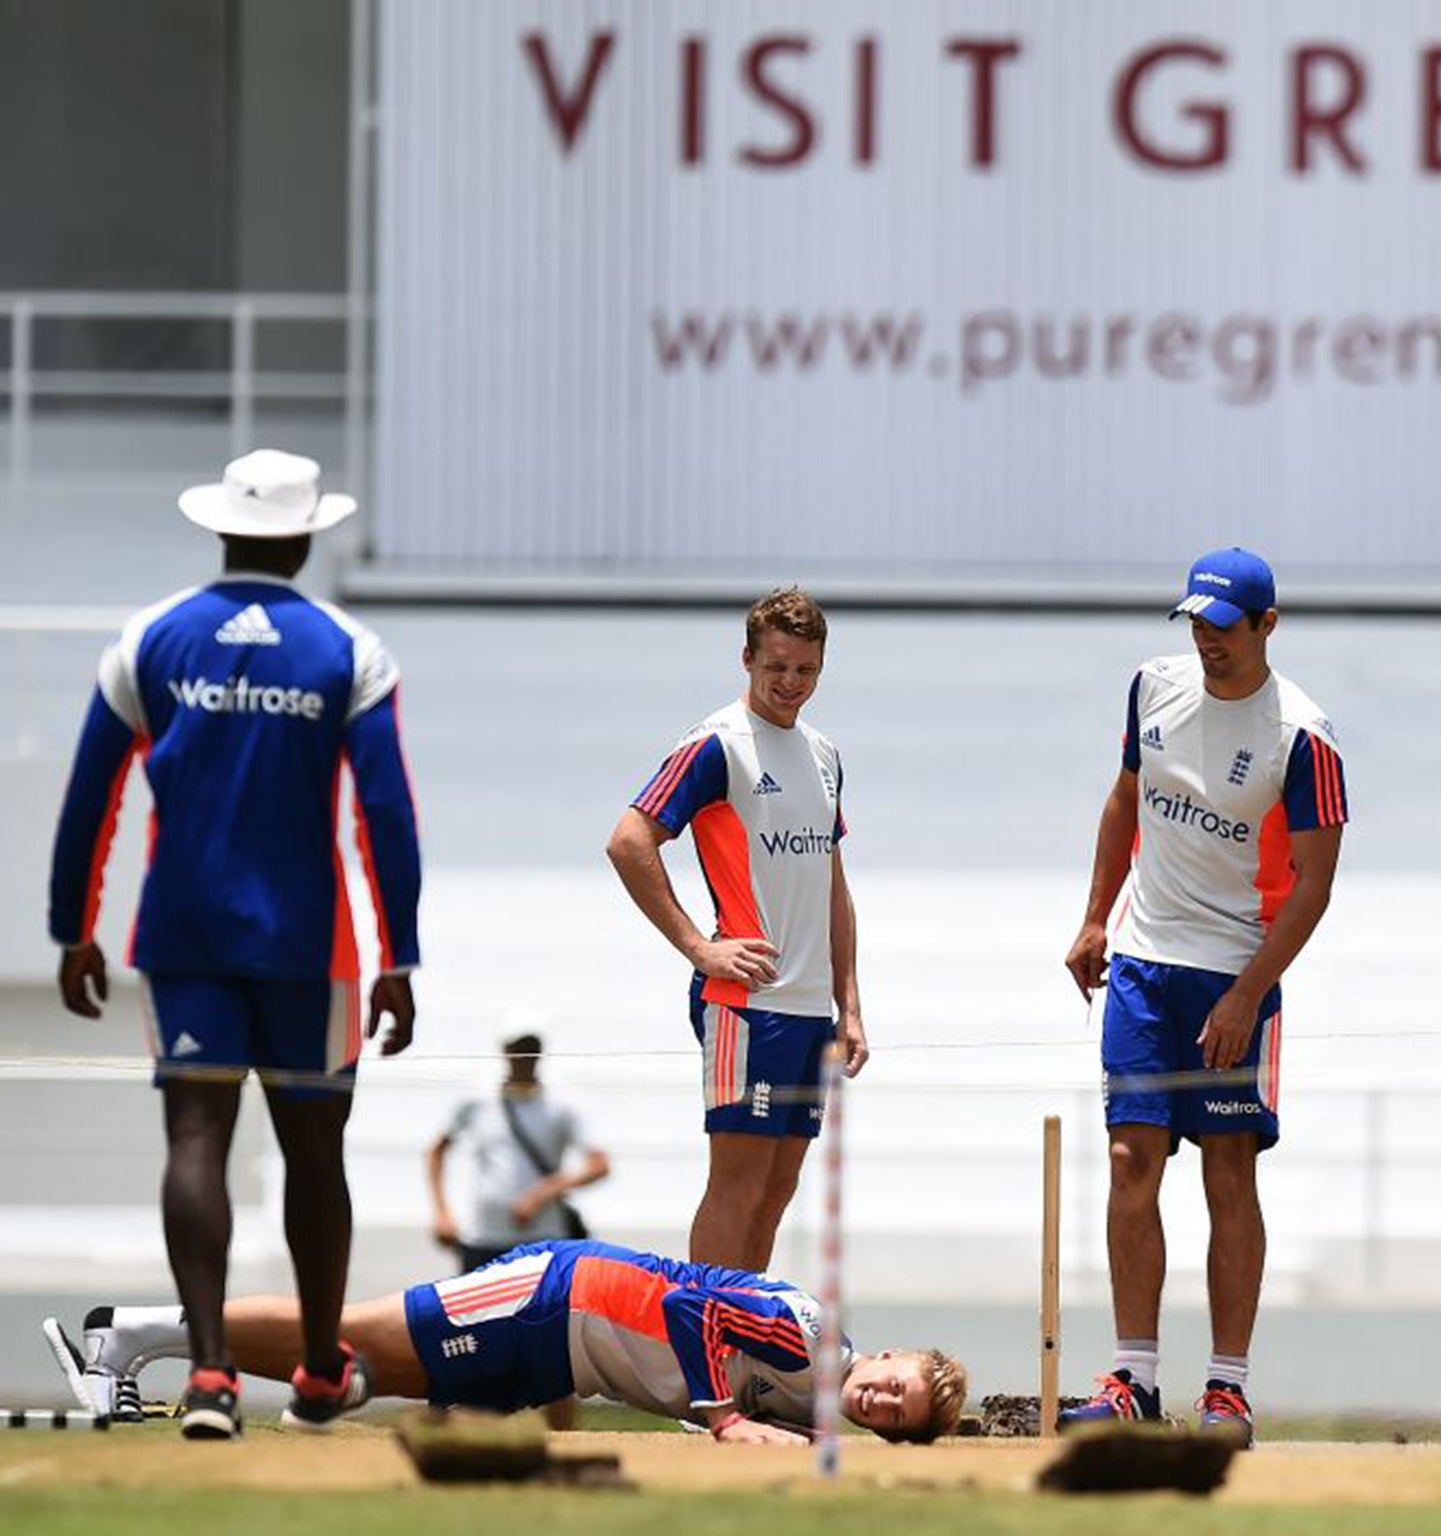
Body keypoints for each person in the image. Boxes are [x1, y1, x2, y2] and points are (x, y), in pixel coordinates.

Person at [45, 449, 422, 1440]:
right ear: (304, 538)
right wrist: (399, 955)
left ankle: (210, 1376)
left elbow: (92, 797)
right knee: (314, 1153)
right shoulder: (350, 648)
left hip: (183, 932)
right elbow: (386, 815)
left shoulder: (149, 639)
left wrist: (72, 929)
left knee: (197, 1139)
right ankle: (313, 1373)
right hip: (312, 945)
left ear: (221, 529)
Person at [1058, 548, 1347, 1446]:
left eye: (1227, 627)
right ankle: (1134, 1378)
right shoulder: (1152, 686)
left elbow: (1314, 884)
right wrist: (1095, 916)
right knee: (1127, 1161)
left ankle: (1228, 1389)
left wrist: (1247, 995)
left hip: (1235, 973)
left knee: (1229, 1171)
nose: (1209, 641)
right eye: (1199, 625)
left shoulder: (1304, 733)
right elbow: (1124, 801)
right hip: (1145, 964)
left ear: (1269, 625)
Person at [43, 1239, 967, 1444]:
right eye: (895, 1383)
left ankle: (151, 1342)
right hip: (560, 1298)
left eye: (897, 1415)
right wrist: (720, 1416)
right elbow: (697, 1313)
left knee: (362, 1374)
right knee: (342, 1333)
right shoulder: (813, 1341)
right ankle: (124, 1334)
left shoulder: (821, 1421)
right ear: (885, 1356)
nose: (881, 1399)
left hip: (564, 1350)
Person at [605, 589, 866, 1271]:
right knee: (739, 1187)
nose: (790, 684)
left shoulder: (824, 754)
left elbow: (832, 883)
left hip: (811, 1009)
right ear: (747, 659)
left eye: (805, 670)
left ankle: (742, 1350)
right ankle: (706, 1355)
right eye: (776, 666)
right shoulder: (716, 745)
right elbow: (629, 841)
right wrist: (699, 946)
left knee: (779, 1190)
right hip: (747, 1008)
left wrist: (851, 1004)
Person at [429, 1032, 612, 1273]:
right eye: (518, 1048)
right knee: (478, 1309)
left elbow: (599, 1165)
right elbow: (437, 1150)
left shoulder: (562, 1102)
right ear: (505, 1050)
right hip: (483, 1238)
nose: (524, 1057)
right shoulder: (477, 1098)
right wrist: (442, 1212)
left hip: (544, 1240)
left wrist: (543, 1192)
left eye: (530, 1048)